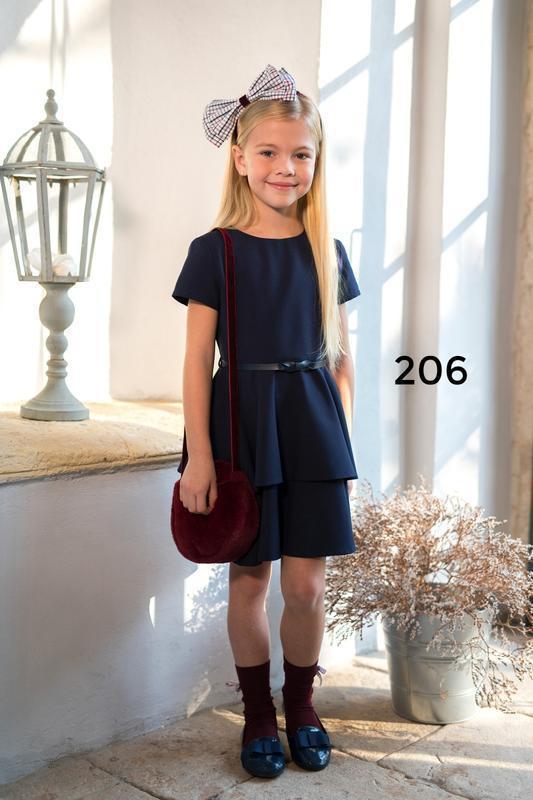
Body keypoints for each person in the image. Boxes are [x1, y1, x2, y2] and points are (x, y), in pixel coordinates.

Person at [171, 64, 361, 779]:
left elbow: (341, 359)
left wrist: (340, 447)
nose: (286, 167)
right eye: (270, 153)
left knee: (307, 586)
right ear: (241, 158)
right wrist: (198, 457)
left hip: (312, 429)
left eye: (300, 154)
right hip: (244, 428)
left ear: (316, 160)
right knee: (249, 582)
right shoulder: (214, 250)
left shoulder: (326, 251)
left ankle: (301, 705)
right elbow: (198, 361)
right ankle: (257, 713)